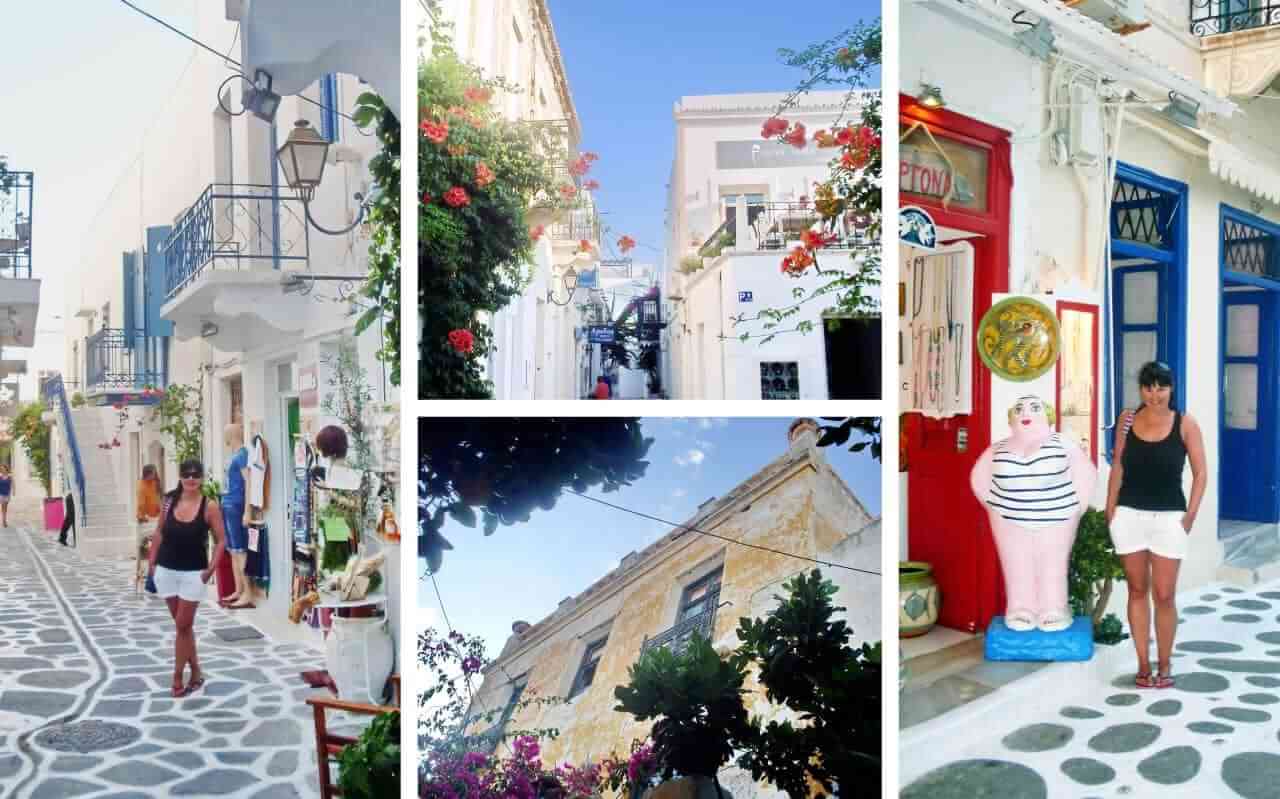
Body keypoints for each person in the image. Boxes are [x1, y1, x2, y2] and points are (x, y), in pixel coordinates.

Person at [1106, 361, 1207, 689]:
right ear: (1141, 389)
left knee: (1164, 595)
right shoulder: (1127, 420)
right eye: (1148, 387)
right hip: (1129, 516)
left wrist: (1189, 515)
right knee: (1137, 590)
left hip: (1168, 519)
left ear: (1171, 388)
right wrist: (1111, 509)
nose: (1154, 394)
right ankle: (1142, 665)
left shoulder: (1185, 423)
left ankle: (1165, 665)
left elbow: (1201, 472)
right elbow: (1118, 464)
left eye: (1161, 387)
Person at [148, 458, 227, 698]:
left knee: (183, 625)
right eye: (186, 474)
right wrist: (152, 562)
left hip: (194, 573)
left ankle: (176, 678)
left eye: (195, 474)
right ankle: (195, 671)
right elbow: (159, 531)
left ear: (201, 478)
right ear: (180, 477)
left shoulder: (209, 506)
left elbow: (221, 539)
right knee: (184, 627)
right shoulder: (168, 502)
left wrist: (211, 569)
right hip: (166, 571)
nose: (191, 478)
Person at [219, 424, 253, 609]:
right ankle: (238, 590)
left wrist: (247, 511)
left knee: (240, 550)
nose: (225, 436)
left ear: (232, 435)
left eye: (226, 433)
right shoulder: (233, 455)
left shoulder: (242, 455)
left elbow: (248, 483)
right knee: (232, 550)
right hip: (227, 503)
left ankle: (248, 594)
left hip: (236, 505)